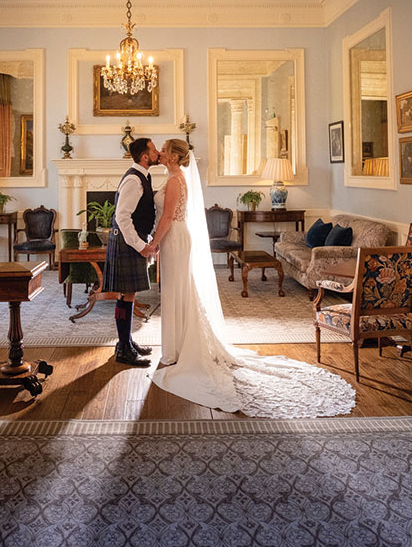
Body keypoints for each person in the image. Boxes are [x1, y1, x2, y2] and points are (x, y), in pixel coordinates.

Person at [146, 138, 355, 418]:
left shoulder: (174, 181)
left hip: (174, 238)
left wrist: (153, 244)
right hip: (175, 239)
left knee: (178, 290)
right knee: (178, 289)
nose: (159, 153)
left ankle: (178, 350)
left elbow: (169, 216)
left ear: (173, 156)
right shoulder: (174, 177)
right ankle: (177, 346)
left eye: (163, 149)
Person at [102, 137, 160, 367]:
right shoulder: (134, 181)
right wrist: (141, 245)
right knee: (127, 295)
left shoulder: (142, 176)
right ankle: (124, 349)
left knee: (128, 295)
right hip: (127, 243)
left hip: (130, 242)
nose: (157, 154)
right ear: (145, 156)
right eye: (154, 150)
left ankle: (125, 342)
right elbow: (122, 217)